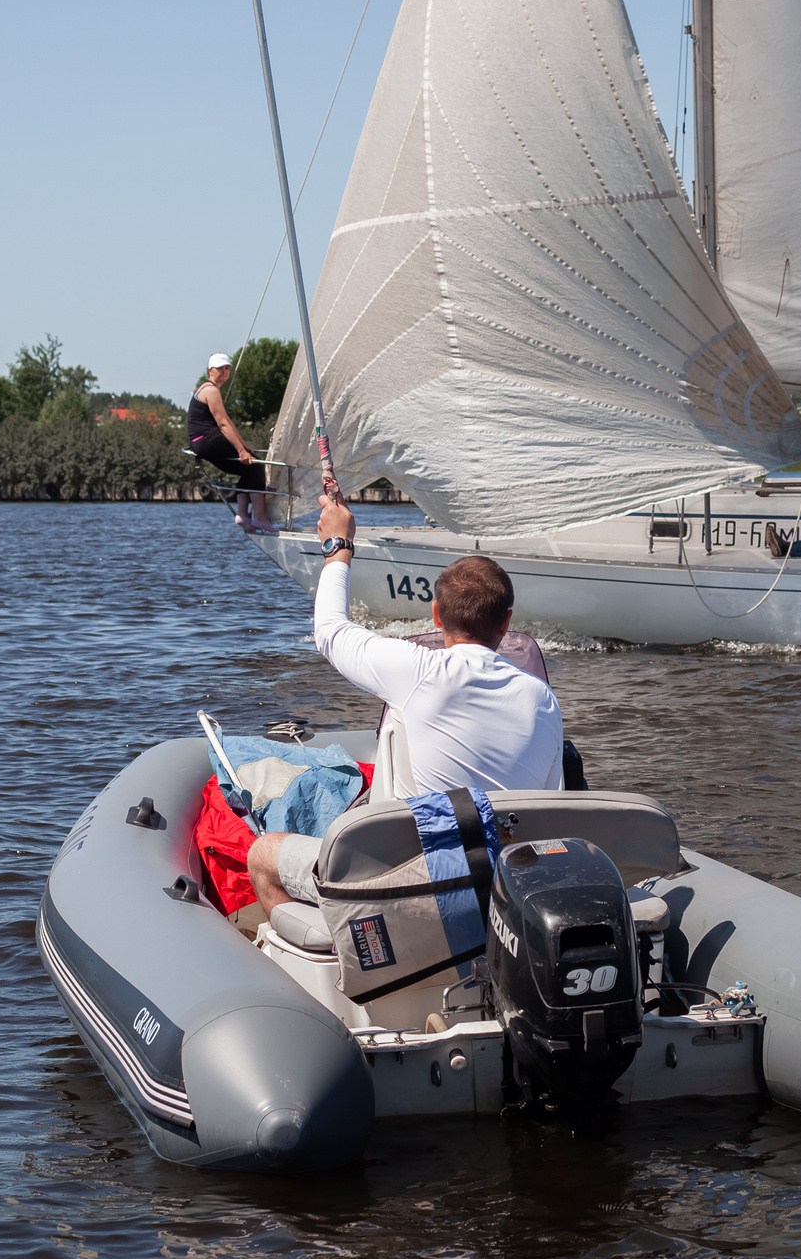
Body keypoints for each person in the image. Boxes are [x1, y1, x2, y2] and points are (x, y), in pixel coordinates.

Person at [245, 493, 564, 908]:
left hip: (421, 888)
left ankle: (319, 958)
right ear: (506, 621)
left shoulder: (420, 672)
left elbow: (329, 630)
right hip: (508, 891)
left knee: (263, 853)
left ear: (435, 615)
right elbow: (549, 805)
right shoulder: (543, 699)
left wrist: (337, 546)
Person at [189, 353, 273, 532]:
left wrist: (244, 446)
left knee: (247, 469)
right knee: (257, 466)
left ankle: (243, 516)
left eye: (227, 368)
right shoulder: (210, 391)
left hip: (202, 441)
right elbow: (222, 424)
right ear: (210, 371)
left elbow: (227, 420)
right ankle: (259, 517)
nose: (224, 372)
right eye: (220, 369)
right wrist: (241, 451)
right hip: (207, 439)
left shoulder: (208, 389)